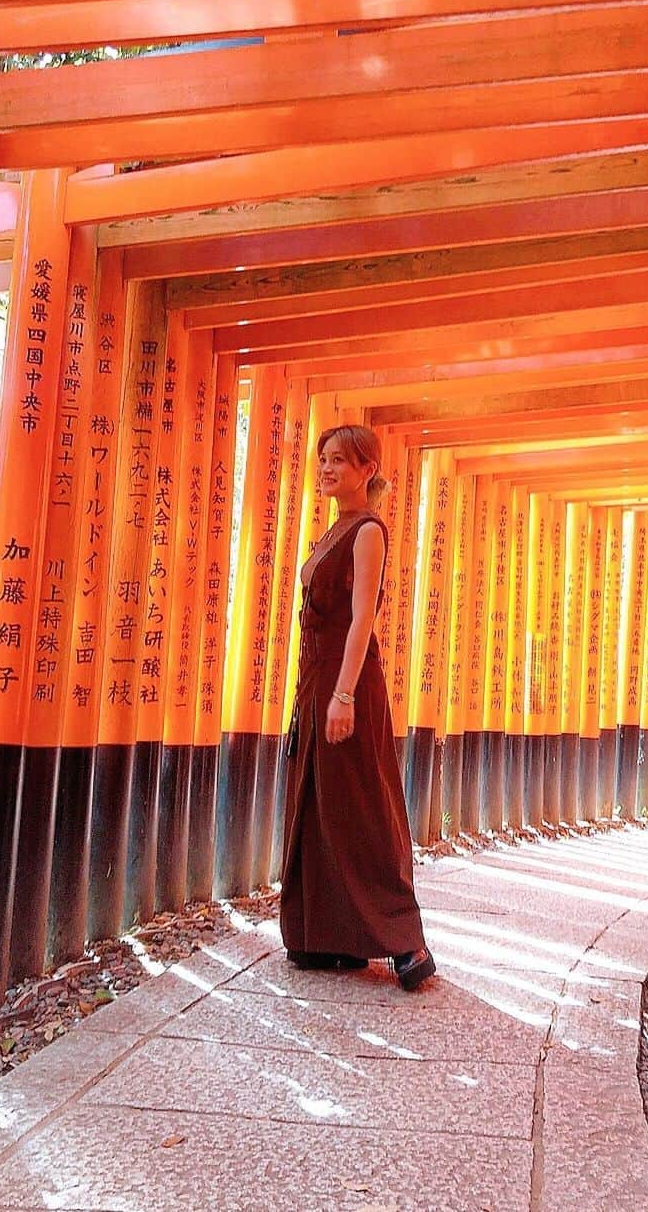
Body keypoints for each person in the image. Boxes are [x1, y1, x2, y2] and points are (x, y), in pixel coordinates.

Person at [279, 424, 436, 991]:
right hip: (317, 680)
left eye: (339, 460)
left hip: (346, 683)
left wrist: (343, 694)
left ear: (366, 469)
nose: (326, 469)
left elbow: (362, 619)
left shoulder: (368, 530)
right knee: (321, 803)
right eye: (323, 459)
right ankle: (332, 935)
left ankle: (405, 944)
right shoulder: (333, 528)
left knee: (361, 806)